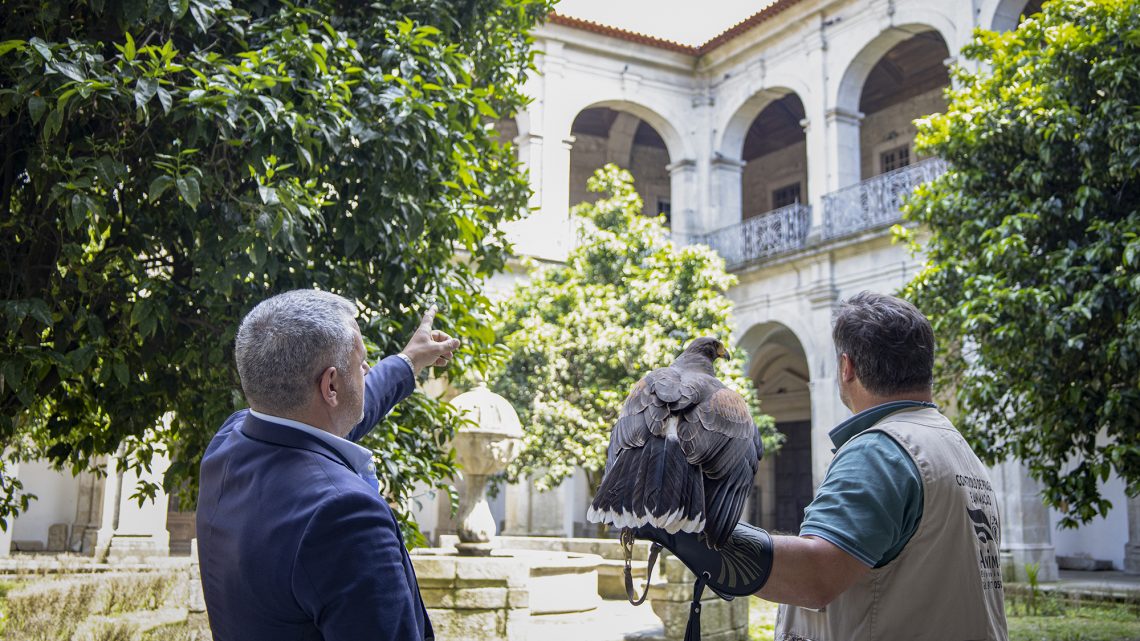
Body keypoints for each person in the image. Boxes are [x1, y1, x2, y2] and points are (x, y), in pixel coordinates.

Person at [635, 291, 1008, 641]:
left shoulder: (882, 452)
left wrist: (682, 528)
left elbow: (815, 577)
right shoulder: (952, 446)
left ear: (846, 367)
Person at [196, 289, 459, 641]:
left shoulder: (230, 440)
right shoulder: (344, 516)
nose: (366, 369)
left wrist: (408, 361)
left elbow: (338, 415)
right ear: (331, 385)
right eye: (361, 360)